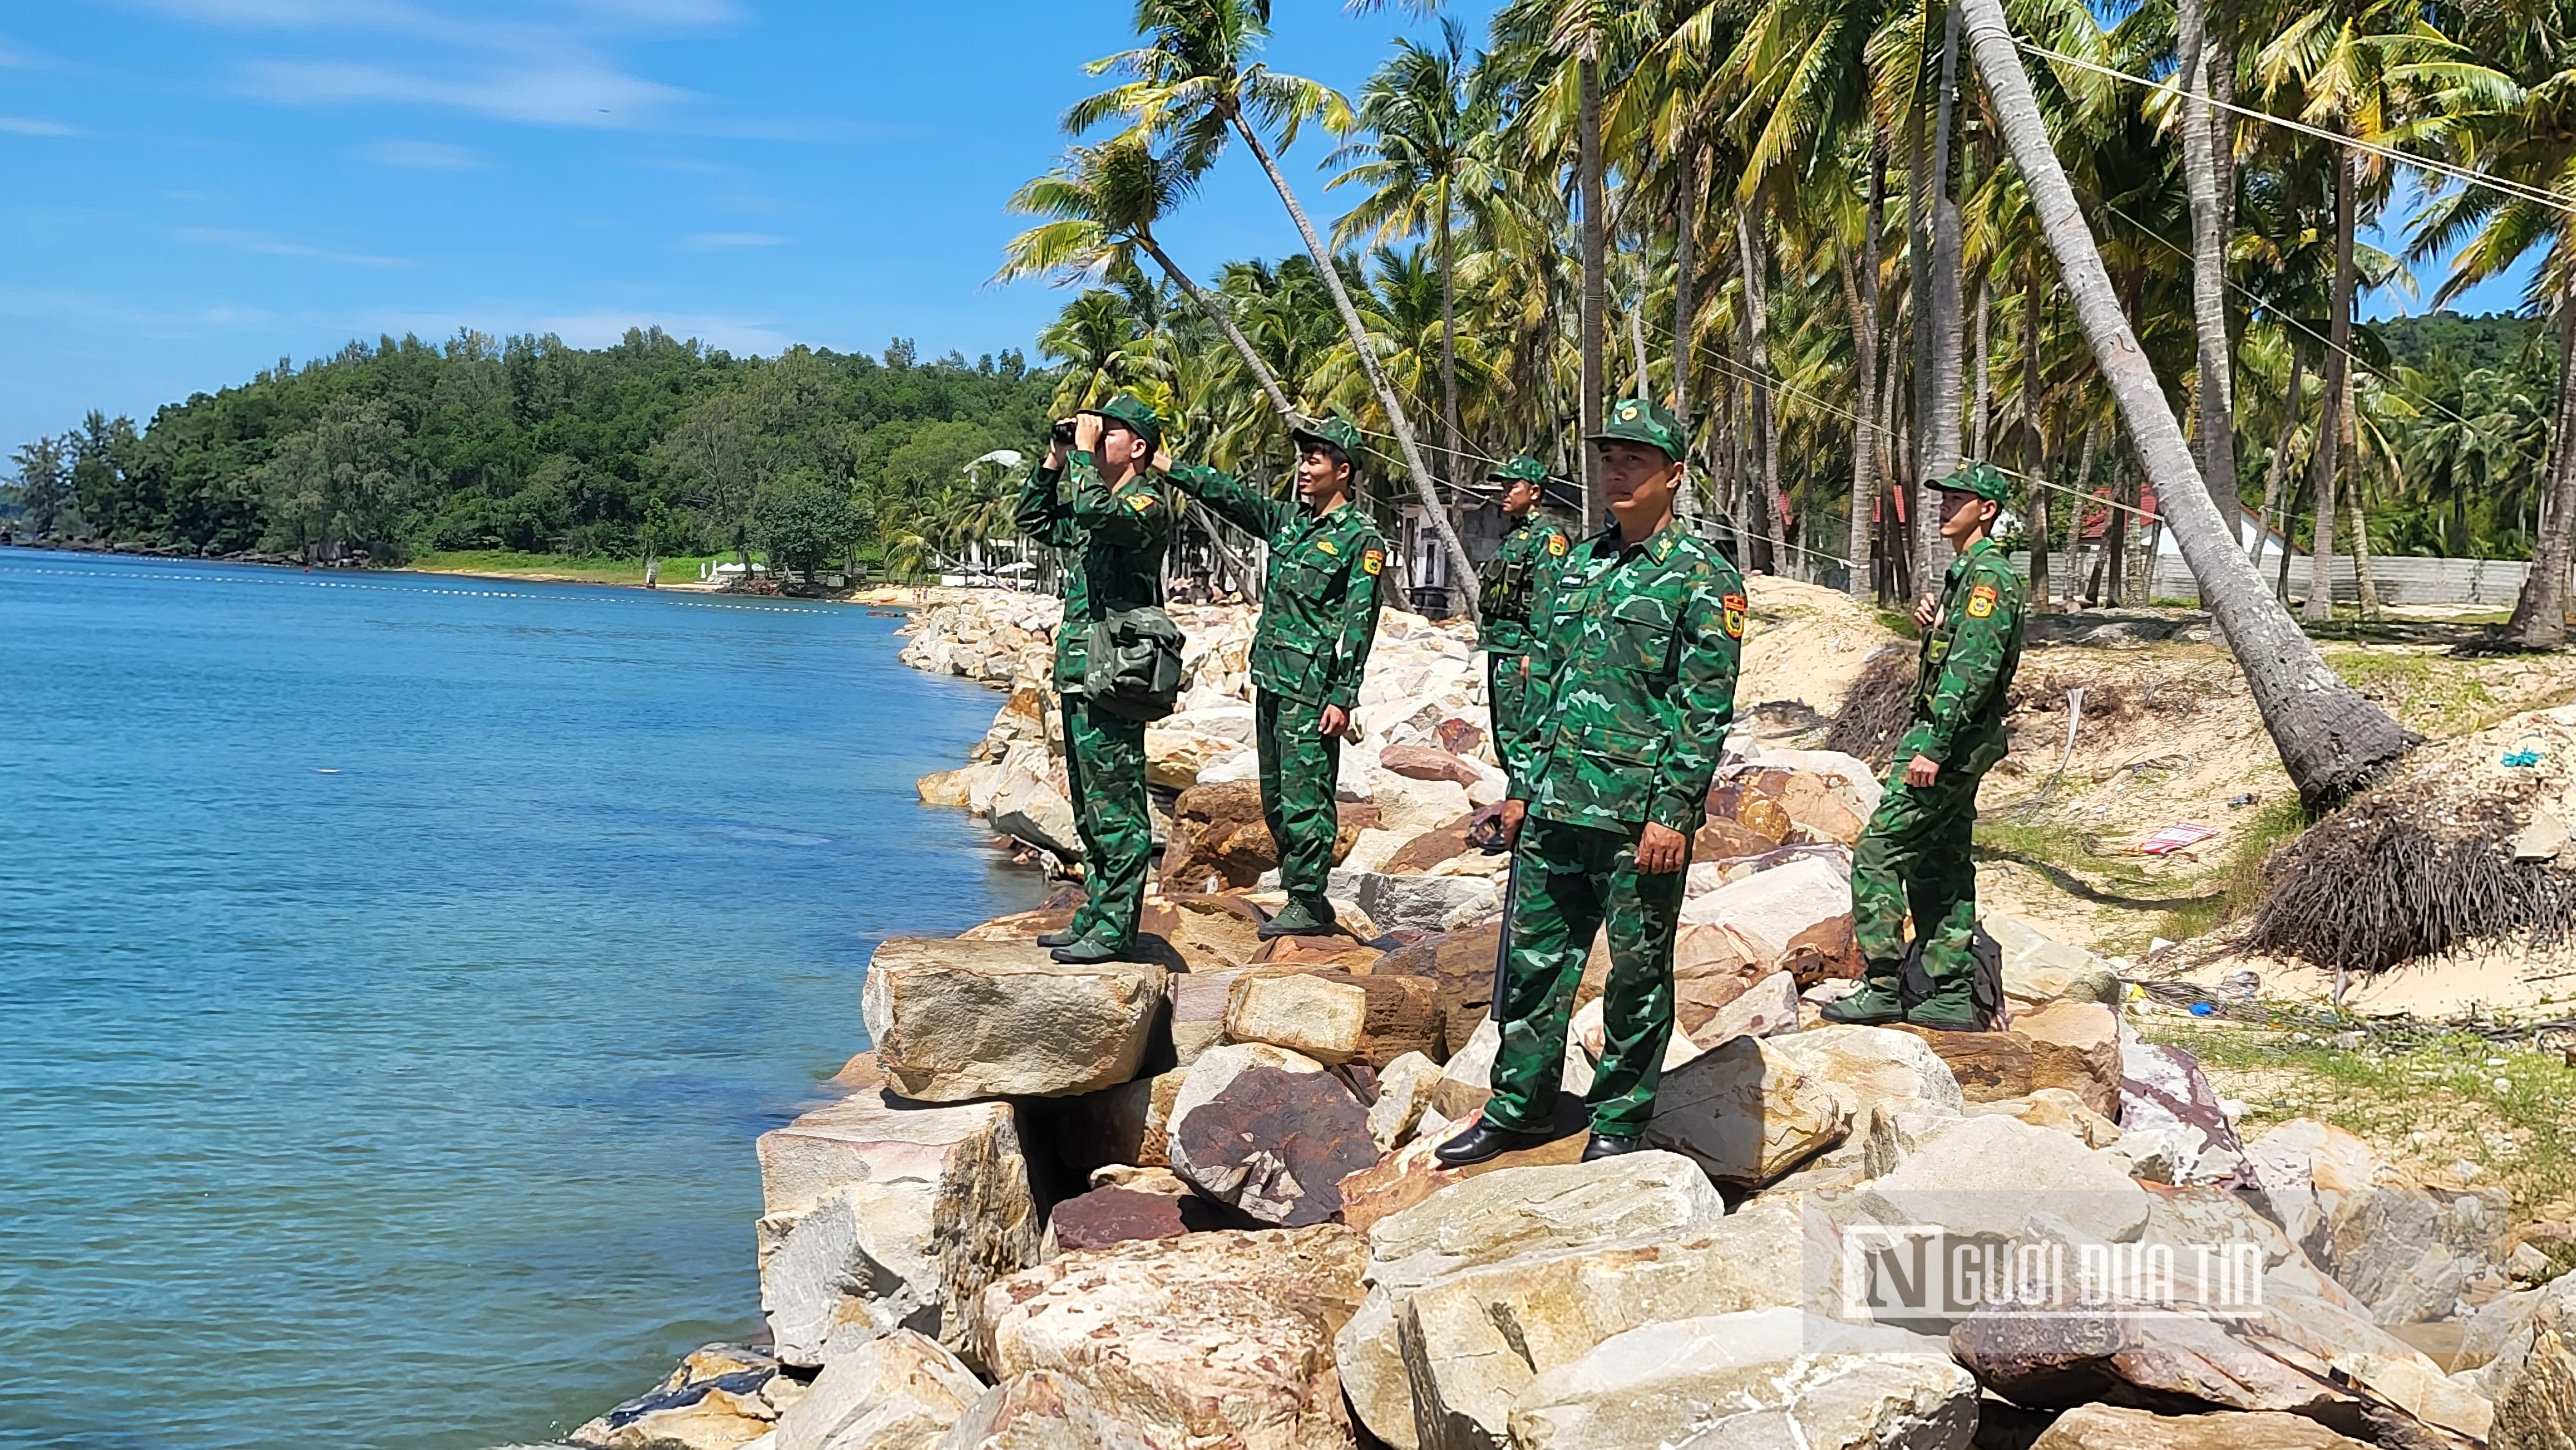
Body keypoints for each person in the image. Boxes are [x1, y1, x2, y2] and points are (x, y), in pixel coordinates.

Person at [1439, 398, 1746, 1165]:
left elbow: (1702, 705)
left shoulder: (1704, 578)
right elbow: (1542, 680)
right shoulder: (1576, 563)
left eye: (1633, 458)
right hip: (1554, 803)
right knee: (1534, 962)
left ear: (1673, 475)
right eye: (1609, 456)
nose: (1615, 469)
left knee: (1636, 975)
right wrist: (1519, 784)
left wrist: (1672, 812)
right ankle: (1520, 1104)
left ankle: (1619, 1120)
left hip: (1637, 816)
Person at [1162, 417, 1387, 939]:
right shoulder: (1290, 523)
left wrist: (1342, 695)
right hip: (1272, 678)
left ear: (1344, 471)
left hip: (1312, 689)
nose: (1303, 469)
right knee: (1275, 797)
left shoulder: (1360, 539)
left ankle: (1308, 899)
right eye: (1302, 459)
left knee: (1306, 795)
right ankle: (1301, 896)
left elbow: (1360, 620)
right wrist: (1167, 467)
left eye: (1314, 460)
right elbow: (1228, 497)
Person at [1828, 461, 2029, 1030]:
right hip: (1959, 743)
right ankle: (1949, 992)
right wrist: (1935, 626)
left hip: (1949, 745)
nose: (1944, 508)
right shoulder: (1969, 576)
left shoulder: (1988, 577)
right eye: (1942, 499)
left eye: (1957, 499)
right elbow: (1959, 652)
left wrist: (1934, 747)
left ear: (1986, 510)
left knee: (1877, 853)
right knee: (1940, 863)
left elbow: (1974, 672)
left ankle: (1884, 983)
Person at [1014, 393, 1175, 965]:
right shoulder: (1095, 499)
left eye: (1108, 434)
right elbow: (1033, 519)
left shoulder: (1144, 503)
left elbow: (1093, 515)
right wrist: (1056, 461)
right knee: (1088, 804)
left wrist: (1081, 460)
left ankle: (1117, 928)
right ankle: (1098, 912)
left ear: (1137, 448)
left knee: (1117, 803)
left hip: (1119, 673)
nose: (1095, 439)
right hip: (1084, 669)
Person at [1472, 457, 1575, 754]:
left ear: (1534, 492)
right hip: (1501, 645)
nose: (1504, 493)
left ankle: (1525, 799)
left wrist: (1536, 650)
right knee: (1503, 732)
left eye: (1512, 486)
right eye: (1502, 487)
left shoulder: (1547, 537)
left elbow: (1548, 596)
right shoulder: (1516, 536)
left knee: (1520, 735)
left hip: (1521, 650)